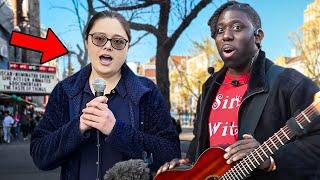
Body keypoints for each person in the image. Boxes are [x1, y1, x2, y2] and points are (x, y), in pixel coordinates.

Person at [157, 1, 320, 180]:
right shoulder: (210, 87)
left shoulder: (290, 83)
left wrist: (272, 160)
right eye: (220, 30)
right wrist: (187, 166)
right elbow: (200, 143)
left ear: (258, 36)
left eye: (237, 27)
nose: (226, 35)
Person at [30, 10, 180, 180]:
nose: (108, 46)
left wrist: (117, 130)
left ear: (127, 48)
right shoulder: (64, 91)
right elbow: (40, 155)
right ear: (87, 41)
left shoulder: (147, 92)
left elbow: (170, 153)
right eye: (99, 38)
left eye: (117, 41)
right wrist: (78, 127)